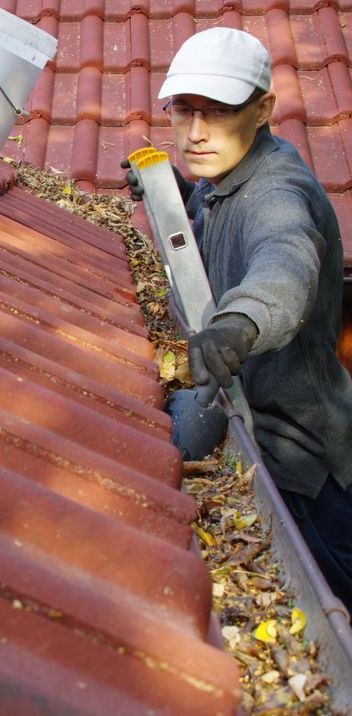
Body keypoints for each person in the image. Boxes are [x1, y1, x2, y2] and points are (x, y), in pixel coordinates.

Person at [123, 27, 352, 608]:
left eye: (220, 112)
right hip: (258, 432)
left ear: (263, 110)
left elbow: (285, 259)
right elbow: (214, 233)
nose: (196, 133)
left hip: (305, 466)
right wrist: (173, 197)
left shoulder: (278, 190)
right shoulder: (223, 174)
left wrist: (238, 324)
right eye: (184, 111)